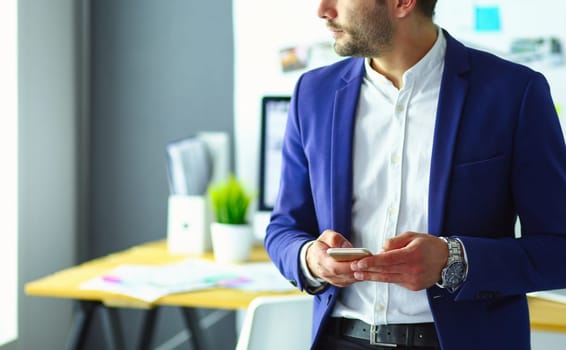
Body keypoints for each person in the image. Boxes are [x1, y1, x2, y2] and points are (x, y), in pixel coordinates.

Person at [264, 0, 566, 349]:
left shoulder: (513, 92)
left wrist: (454, 260)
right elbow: (283, 228)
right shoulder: (312, 94)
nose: (323, 10)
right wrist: (309, 259)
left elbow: (558, 248)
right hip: (339, 338)